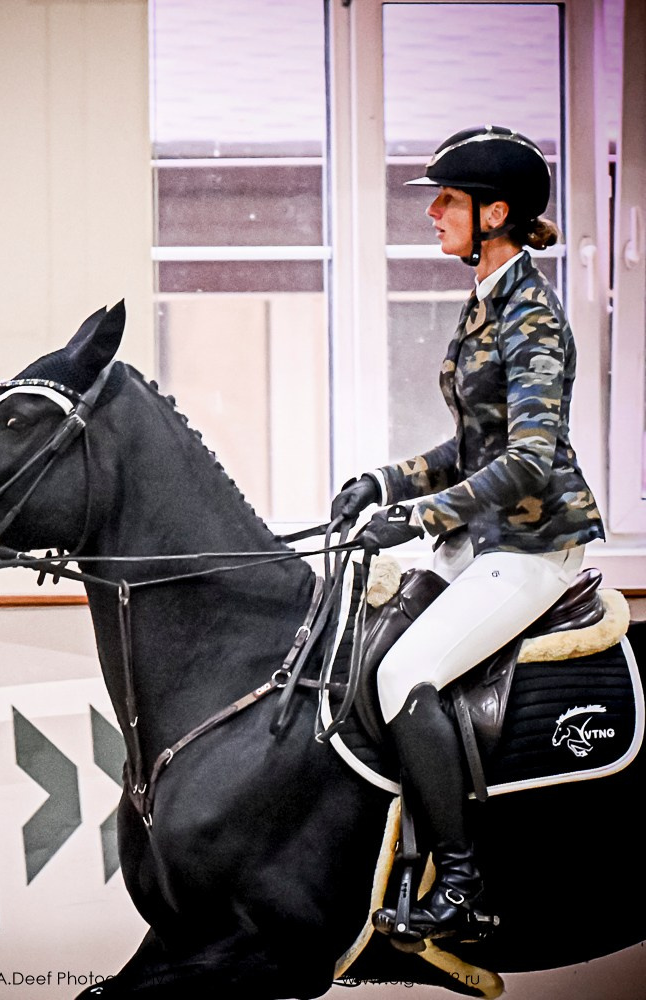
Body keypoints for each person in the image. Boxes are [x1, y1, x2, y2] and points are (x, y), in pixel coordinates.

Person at [331, 125, 605, 945]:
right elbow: (468, 448)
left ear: (496, 212)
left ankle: (461, 885)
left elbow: (528, 460)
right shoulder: (485, 301)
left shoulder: (532, 318)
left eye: (446, 200)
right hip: (478, 541)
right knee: (372, 653)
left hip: (533, 547)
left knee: (409, 671)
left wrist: (416, 518)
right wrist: (387, 481)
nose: (434, 214)